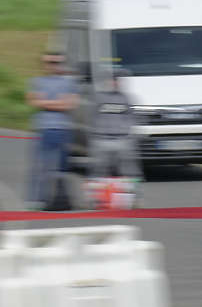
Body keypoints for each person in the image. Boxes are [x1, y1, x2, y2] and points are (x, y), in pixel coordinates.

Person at [25, 50, 78, 210]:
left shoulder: (69, 82)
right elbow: (33, 101)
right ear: (44, 64)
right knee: (41, 166)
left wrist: (45, 102)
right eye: (49, 62)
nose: (53, 66)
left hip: (62, 129)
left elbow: (69, 104)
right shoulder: (36, 81)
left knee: (62, 168)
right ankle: (37, 200)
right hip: (43, 128)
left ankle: (61, 199)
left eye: (56, 63)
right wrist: (57, 103)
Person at [86, 67, 141, 182]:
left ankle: (132, 195)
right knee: (98, 171)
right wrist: (95, 135)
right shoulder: (98, 98)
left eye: (117, 80)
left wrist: (128, 134)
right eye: (112, 79)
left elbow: (133, 118)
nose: (115, 82)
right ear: (106, 81)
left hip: (122, 140)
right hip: (102, 140)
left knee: (129, 171)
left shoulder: (126, 99)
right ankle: (98, 196)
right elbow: (91, 117)